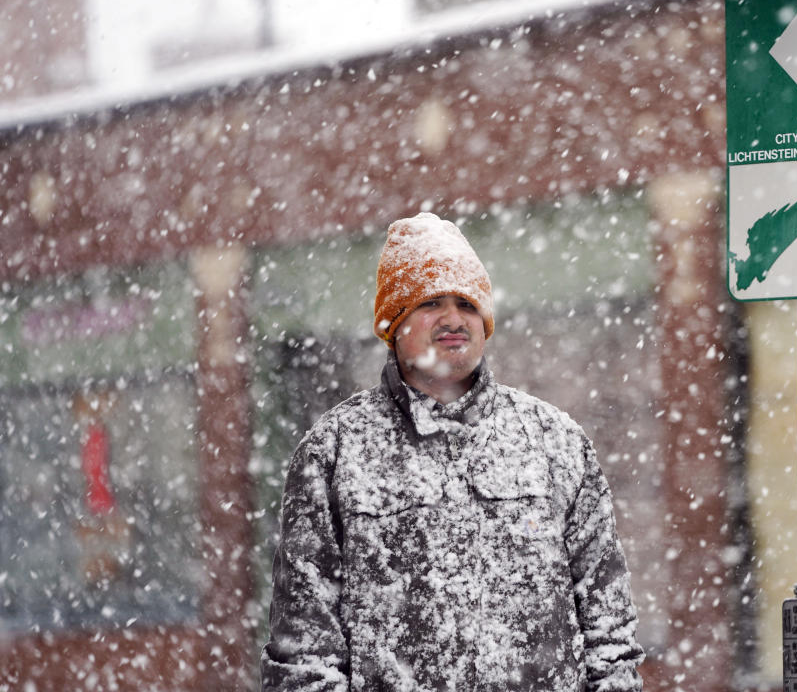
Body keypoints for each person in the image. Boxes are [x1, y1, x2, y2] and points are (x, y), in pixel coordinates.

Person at [262, 212, 644, 692]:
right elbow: (304, 653)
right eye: (430, 303)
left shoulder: (554, 441)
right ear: (393, 323)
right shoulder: (334, 451)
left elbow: (609, 633)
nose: (453, 319)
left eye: (466, 303)